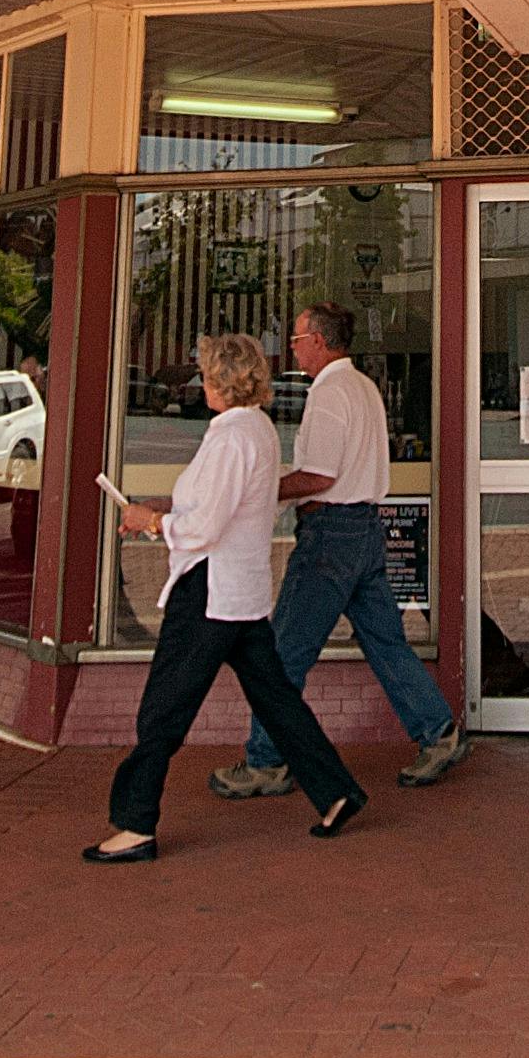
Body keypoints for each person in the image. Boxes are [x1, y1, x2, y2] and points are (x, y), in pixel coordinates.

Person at [86, 331, 366, 865]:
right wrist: (166, 509)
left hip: (209, 592)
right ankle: (335, 790)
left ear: (221, 381)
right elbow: (227, 505)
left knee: (164, 709)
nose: (201, 381)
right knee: (277, 700)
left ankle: (135, 823)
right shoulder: (257, 429)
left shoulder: (230, 438)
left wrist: (153, 522)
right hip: (242, 593)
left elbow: (206, 526)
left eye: (206, 373)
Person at [211, 303, 471, 799]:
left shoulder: (329, 393)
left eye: (296, 339)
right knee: (385, 641)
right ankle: (438, 732)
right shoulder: (365, 387)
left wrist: (260, 488)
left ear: (318, 341)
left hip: (330, 535)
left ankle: (267, 760)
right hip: (365, 529)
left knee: (284, 651)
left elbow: (319, 476)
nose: (292, 348)